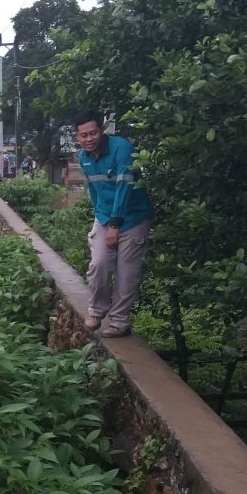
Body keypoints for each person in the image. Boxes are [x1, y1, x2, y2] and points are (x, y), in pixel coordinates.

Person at [75, 109, 153, 338]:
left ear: (102, 130)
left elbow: (124, 187)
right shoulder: (84, 157)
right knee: (98, 264)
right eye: (83, 135)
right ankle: (96, 311)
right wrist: (103, 220)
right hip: (105, 217)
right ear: (78, 137)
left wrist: (115, 224)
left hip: (133, 218)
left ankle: (119, 322)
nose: (89, 139)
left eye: (93, 133)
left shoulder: (122, 149)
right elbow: (94, 191)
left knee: (126, 273)